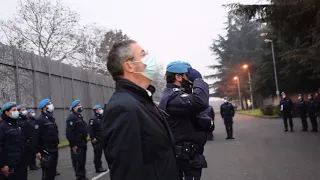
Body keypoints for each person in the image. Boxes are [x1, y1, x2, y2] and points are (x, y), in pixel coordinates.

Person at [101, 40, 181, 180]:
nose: (149, 58)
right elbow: (127, 172)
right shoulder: (123, 108)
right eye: (143, 55)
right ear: (130, 66)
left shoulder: (142, 100)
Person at [159, 61, 209, 180]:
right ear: (178, 77)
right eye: (188, 75)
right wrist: (198, 81)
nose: (191, 78)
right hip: (184, 159)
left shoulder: (180, 95)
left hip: (190, 158)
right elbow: (200, 102)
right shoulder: (173, 97)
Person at [31, 99, 59, 180]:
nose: (51, 105)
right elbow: (36, 137)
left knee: (52, 172)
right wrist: (37, 151)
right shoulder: (40, 120)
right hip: (46, 150)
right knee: (47, 174)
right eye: (49, 104)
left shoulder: (51, 119)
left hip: (54, 149)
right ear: (44, 107)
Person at [0, 102, 25, 180]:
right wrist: (2, 165)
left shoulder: (16, 125)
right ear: (6, 112)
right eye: (14, 110)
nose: (16, 112)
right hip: (10, 164)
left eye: (17, 110)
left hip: (20, 161)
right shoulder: (2, 126)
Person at [66, 100, 88, 180]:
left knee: (82, 161)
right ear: (73, 108)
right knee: (78, 162)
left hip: (82, 142)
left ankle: (83, 176)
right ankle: (80, 177)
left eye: (80, 105)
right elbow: (69, 133)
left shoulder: (79, 117)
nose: (80, 106)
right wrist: (73, 145)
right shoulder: (72, 118)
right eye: (78, 105)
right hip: (77, 144)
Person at [88, 104, 107, 173]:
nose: (101, 110)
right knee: (97, 154)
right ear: (96, 111)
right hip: (97, 140)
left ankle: (100, 166)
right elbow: (90, 130)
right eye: (99, 109)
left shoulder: (101, 118)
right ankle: (98, 168)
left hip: (102, 139)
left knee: (102, 153)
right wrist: (92, 138)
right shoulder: (93, 119)